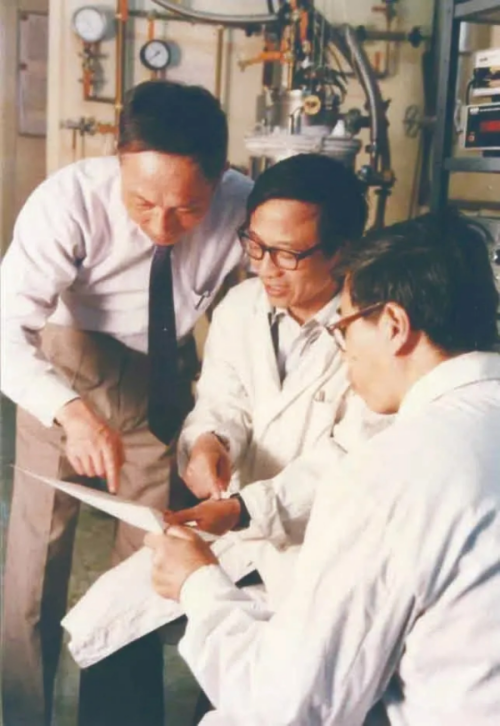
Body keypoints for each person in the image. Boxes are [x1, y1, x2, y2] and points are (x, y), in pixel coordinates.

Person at [146, 212, 500, 725]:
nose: (345, 349)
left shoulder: (389, 471)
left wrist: (196, 582)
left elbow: (289, 707)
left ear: (394, 326)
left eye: (346, 328)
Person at [0, 79, 252, 726]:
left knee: (146, 562)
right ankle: (24, 713)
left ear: (221, 175)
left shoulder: (243, 204)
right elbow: (4, 329)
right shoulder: (68, 201)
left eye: (187, 210)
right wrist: (68, 410)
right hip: (68, 364)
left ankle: (115, 717)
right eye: (141, 201)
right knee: (37, 559)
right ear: (118, 158)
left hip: (162, 374)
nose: (161, 226)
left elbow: (254, 311)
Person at [169, 154, 383, 585]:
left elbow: (351, 459)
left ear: (341, 251)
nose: (264, 269)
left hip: (327, 550)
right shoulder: (240, 307)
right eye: (255, 245)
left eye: (286, 254)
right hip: (240, 535)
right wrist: (210, 442)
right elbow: (222, 400)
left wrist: (247, 510)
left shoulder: (376, 331)